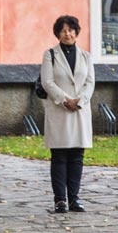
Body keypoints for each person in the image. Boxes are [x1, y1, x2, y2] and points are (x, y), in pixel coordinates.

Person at [40, 14, 95, 213]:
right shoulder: (50, 55)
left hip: (80, 111)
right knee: (60, 156)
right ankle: (60, 199)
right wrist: (65, 100)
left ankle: (74, 197)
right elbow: (47, 82)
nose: (67, 34)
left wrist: (79, 101)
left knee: (77, 156)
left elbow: (90, 82)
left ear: (76, 32)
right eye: (63, 30)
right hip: (59, 111)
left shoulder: (86, 56)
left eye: (70, 30)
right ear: (57, 33)